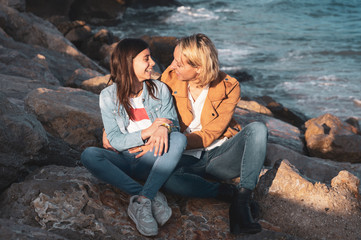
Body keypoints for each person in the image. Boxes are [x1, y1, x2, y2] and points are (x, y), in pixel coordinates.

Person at [104, 34, 268, 235]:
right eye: (173, 59)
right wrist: (110, 130)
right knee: (169, 181)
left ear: (198, 68)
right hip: (183, 160)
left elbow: (210, 134)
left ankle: (242, 201)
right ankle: (227, 193)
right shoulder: (170, 79)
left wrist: (169, 141)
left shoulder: (229, 86)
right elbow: (144, 103)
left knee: (258, 129)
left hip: (219, 156)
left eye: (179, 63)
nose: (172, 66)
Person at [81, 38, 187, 237]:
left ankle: (142, 201)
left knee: (180, 140)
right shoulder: (107, 96)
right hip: (123, 159)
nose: (153, 63)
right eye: (146, 59)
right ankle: (149, 194)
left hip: (152, 157)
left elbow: (173, 125)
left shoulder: (160, 89)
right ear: (129, 63)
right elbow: (114, 140)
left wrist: (164, 127)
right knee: (89, 155)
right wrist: (148, 132)